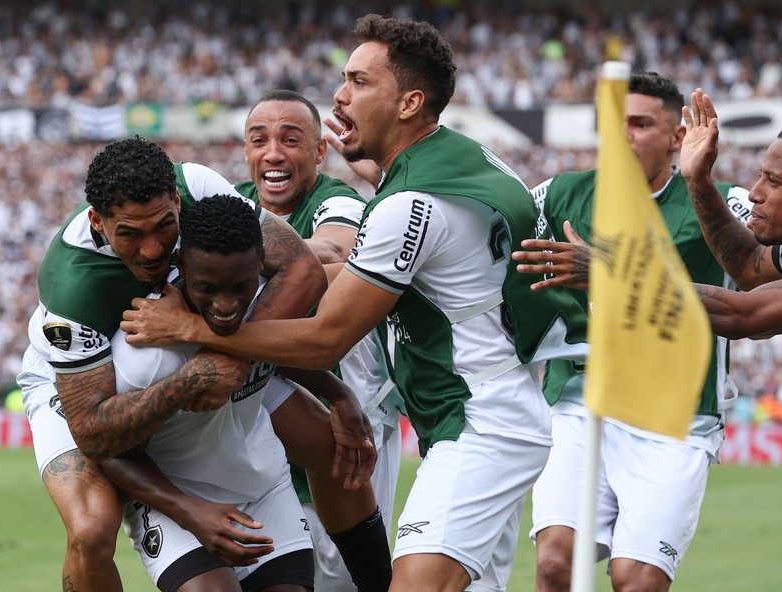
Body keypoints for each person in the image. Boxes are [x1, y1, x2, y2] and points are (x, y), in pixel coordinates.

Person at [121, 14, 587, 592]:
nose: (341, 96)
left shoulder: (402, 204)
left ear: (410, 101)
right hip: (495, 407)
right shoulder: (475, 161)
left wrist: (190, 327)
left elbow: (326, 338)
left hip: (479, 424)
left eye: (360, 82)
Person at [17, 136, 389, 591]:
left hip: (191, 339)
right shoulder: (73, 288)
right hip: (80, 378)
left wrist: (324, 388)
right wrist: (206, 369)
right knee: (93, 528)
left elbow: (302, 270)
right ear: (97, 221)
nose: (154, 250)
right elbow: (96, 436)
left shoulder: (196, 186)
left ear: (177, 201)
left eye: (164, 228)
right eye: (131, 235)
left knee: (331, 446)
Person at [510, 72, 751, 592]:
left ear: (676, 137)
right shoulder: (559, 195)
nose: (623, 137)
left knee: (635, 581)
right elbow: (488, 243)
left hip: (676, 415)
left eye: (640, 124)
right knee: (555, 564)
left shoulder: (724, 203)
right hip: (581, 400)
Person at [104, 194, 347, 591]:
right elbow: (111, 453)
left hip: (262, 488)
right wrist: (190, 513)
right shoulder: (144, 355)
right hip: (175, 499)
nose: (226, 305)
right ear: (180, 265)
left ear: (260, 265)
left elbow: (282, 355)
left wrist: (337, 393)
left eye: (241, 286)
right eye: (208, 287)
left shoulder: (268, 308)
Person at [236, 88, 403, 592]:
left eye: (291, 139)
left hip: (352, 417)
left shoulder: (335, 200)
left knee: (339, 579)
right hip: (262, 422)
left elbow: (335, 248)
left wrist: (230, 262)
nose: (273, 153)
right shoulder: (233, 206)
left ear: (317, 152)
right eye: (259, 139)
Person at [677, 89, 782, 340]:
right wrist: (697, 178)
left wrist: (615, 277)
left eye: (774, 181)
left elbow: (742, 316)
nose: (754, 193)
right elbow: (749, 265)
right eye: (761, 176)